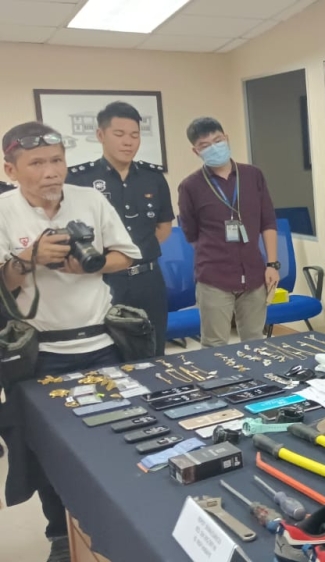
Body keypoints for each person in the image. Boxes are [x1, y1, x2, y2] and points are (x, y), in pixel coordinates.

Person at [0, 122, 141, 562]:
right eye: (37, 163)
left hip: (102, 343)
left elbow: (127, 254)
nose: (50, 172)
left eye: (57, 160)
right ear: (10, 169)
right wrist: (30, 259)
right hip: (38, 352)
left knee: (119, 436)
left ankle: (119, 521)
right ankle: (61, 537)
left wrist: (86, 268)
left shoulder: (91, 199)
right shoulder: (3, 210)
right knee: (47, 454)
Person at [66, 102, 173, 356]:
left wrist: (134, 254)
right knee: (107, 352)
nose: (128, 142)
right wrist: (114, 262)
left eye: (134, 135)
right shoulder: (79, 180)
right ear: (101, 135)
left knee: (154, 349)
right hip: (103, 280)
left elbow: (163, 226)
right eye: (120, 134)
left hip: (148, 279)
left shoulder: (153, 178)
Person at [177, 117, 280, 347]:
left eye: (218, 140)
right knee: (214, 344)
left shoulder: (253, 176)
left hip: (255, 274)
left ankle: (256, 383)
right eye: (205, 145)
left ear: (227, 139)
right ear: (196, 151)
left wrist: (272, 265)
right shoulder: (190, 186)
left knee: (255, 341)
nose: (214, 147)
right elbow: (191, 233)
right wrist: (219, 254)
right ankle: (221, 384)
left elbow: (268, 222)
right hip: (214, 278)